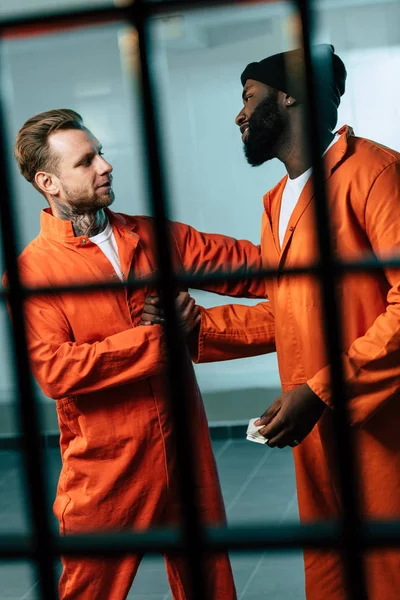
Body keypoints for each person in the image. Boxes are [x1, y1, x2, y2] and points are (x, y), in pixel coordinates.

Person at [143, 44, 400, 600]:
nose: (239, 114)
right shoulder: (278, 200)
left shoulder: (375, 173)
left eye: (248, 97)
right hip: (316, 428)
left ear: (289, 97)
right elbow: (293, 311)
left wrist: (322, 390)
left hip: (381, 423)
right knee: (333, 573)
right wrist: (198, 329)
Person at [3, 108, 270, 600]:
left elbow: (258, 266)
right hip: (107, 465)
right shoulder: (31, 275)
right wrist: (155, 340)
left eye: (100, 153)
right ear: (49, 182)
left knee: (210, 583)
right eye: (86, 161)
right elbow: (55, 370)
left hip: (184, 449)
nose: (105, 165)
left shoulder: (153, 237)